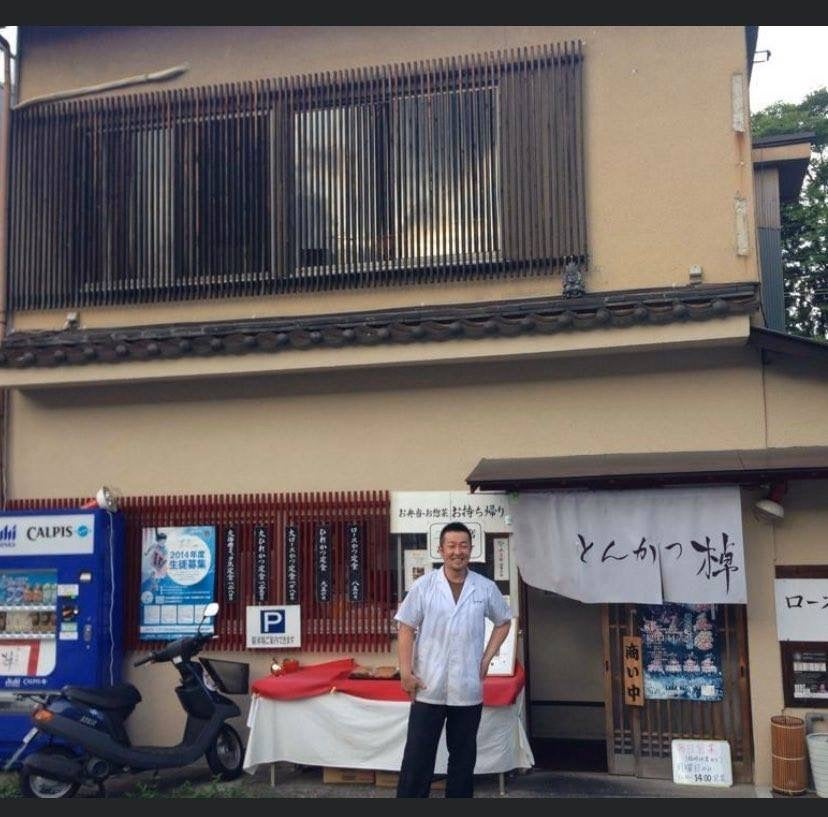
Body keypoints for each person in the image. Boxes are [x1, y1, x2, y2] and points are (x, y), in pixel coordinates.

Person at [394, 521, 512, 798]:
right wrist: (406, 673)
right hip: (427, 686)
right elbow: (406, 627)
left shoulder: (484, 587)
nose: (457, 551)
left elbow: (504, 621)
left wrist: (486, 659)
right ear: (441, 550)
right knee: (417, 758)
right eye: (451, 546)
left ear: (471, 549)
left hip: (467, 688)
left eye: (463, 546)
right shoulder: (424, 586)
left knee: (463, 759)